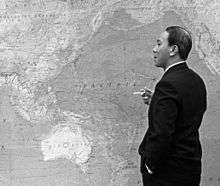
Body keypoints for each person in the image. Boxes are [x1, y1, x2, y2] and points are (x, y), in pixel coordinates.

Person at [138, 26, 207, 186]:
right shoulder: (196, 80)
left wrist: (150, 165)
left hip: (166, 173)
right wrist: (157, 101)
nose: (154, 49)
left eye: (159, 43)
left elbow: (162, 133)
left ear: (173, 49)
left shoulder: (167, 85)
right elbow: (185, 116)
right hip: (190, 167)